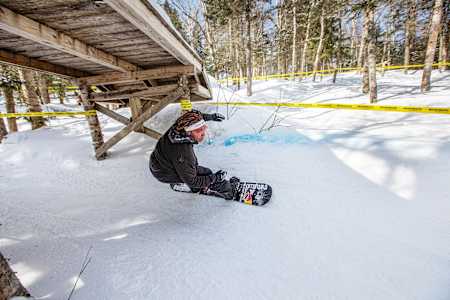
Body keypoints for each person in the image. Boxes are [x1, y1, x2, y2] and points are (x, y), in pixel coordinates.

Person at [149, 110, 239, 200]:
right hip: (163, 172)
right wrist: (215, 178)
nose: (203, 133)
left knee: (203, 171)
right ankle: (229, 191)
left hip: (159, 162)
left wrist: (211, 117)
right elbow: (192, 181)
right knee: (204, 176)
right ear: (188, 132)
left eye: (203, 127)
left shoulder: (180, 125)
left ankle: (195, 187)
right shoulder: (182, 152)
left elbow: (196, 116)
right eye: (198, 130)